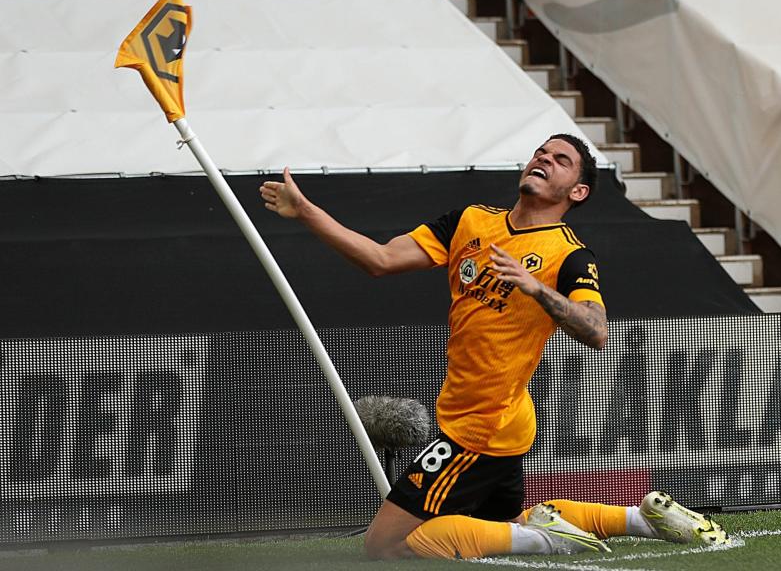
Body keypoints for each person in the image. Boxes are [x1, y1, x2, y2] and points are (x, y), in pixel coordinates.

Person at [260, 134, 729, 559]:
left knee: (385, 546)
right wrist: (306, 212)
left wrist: (536, 288)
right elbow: (380, 260)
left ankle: (549, 538)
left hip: (480, 427)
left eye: (561, 160)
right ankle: (639, 518)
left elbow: (596, 329)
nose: (544, 159)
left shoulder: (569, 255)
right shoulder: (471, 220)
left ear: (577, 191)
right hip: (495, 417)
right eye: (541, 152)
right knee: (496, 527)